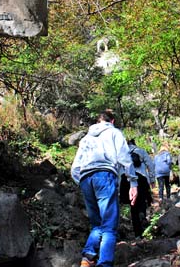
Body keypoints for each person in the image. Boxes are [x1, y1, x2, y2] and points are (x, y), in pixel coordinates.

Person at [71, 110, 138, 267]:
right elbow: (124, 157)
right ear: (112, 121)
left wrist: (80, 183)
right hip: (104, 176)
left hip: (86, 179)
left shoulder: (86, 138)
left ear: (97, 121)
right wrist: (133, 182)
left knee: (97, 225)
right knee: (108, 226)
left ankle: (87, 258)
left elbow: (75, 167)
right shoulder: (114, 132)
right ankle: (105, 263)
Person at [125, 138, 155, 238]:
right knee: (142, 202)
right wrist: (152, 179)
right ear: (135, 143)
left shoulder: (123, 152)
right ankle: (142, 215)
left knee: (133, 206)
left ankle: (137, 233)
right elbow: (150, 164)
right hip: (141, 178)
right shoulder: (141, 151)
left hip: (127, 180)